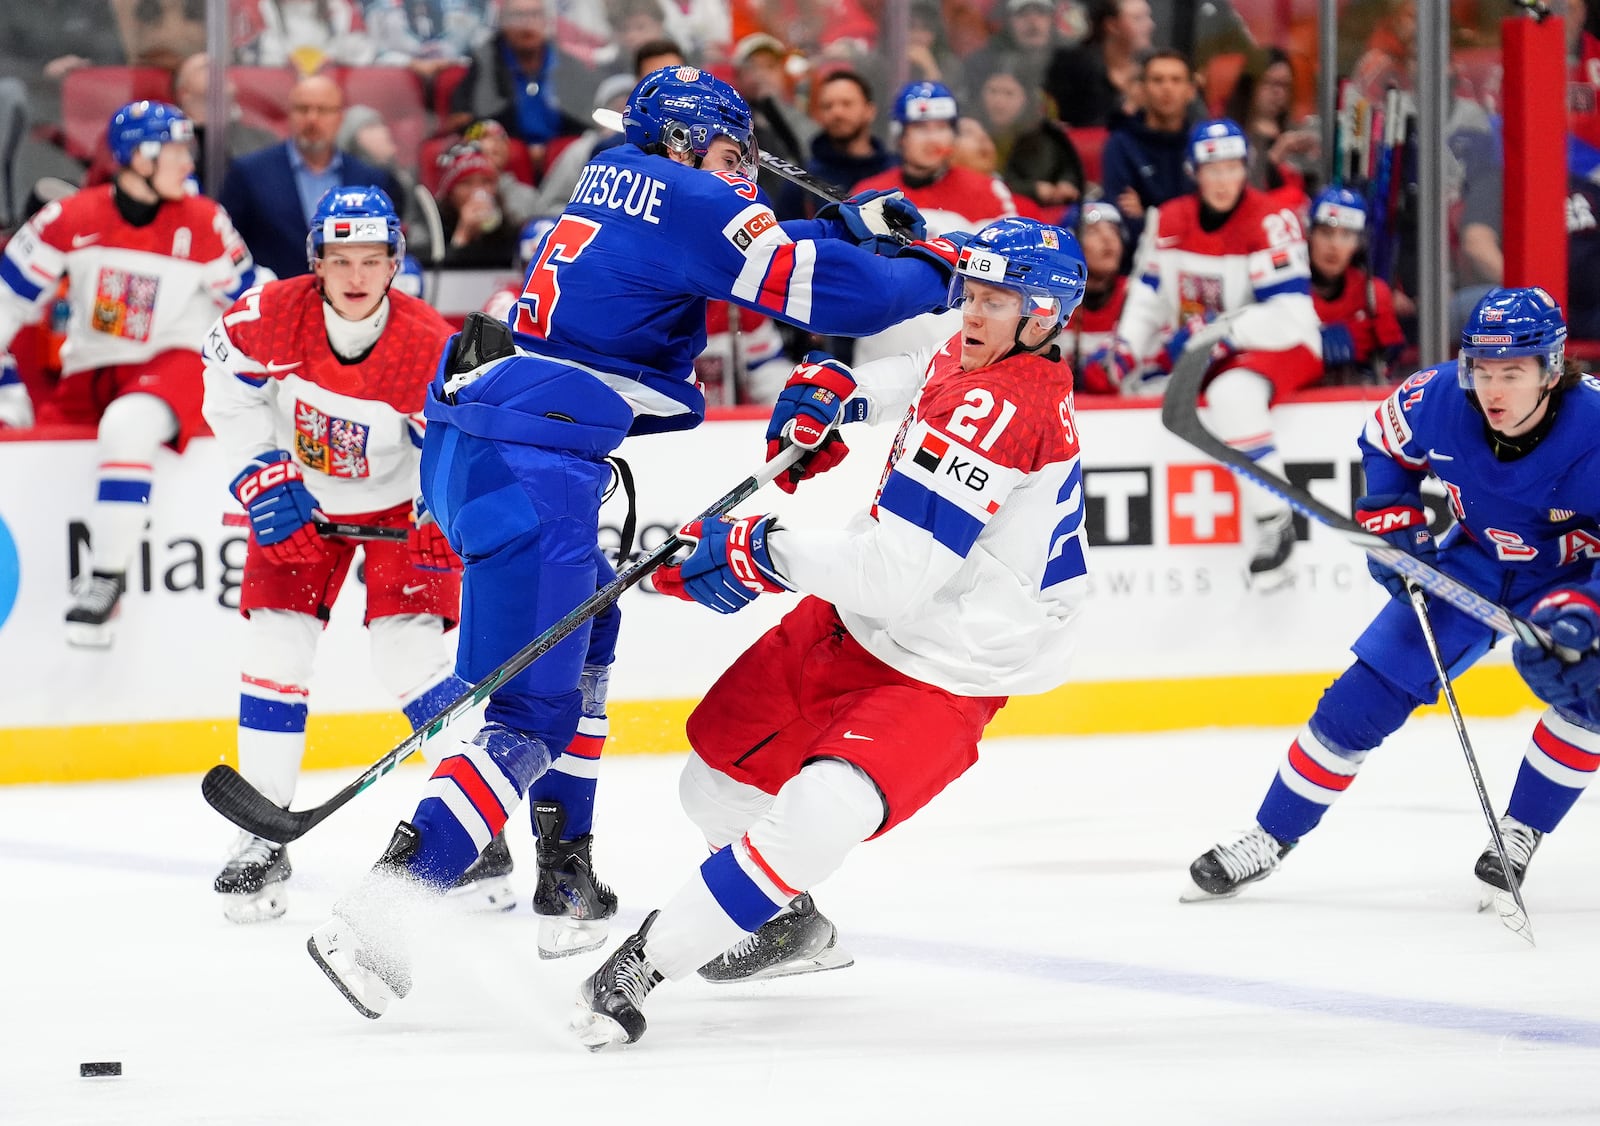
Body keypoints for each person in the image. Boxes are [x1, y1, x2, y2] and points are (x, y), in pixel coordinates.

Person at [304, 65, 968, 1019]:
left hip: (489, 450)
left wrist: (845, 230)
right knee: (527, 719)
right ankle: (379, 913)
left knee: (588, 649)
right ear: (688, 144)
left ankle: (566, 879)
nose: (742, 174)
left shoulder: (622, 178)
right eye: (732, 153)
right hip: (529, 469)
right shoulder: (692, 196)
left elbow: (738, 250)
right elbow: (827, 298)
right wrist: (932, 264)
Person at [569, 216, 1092, 1050]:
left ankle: (643, 967)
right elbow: (921, 370)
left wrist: (758, 547)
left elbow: (892, 570)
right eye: (973, 295)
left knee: (818, 813)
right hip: (860, 623)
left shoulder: (1000, 410)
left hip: (950, 662)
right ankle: (783, 930)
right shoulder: (981, 351)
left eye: (998, 301)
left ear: (1044, 316)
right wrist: (841, 389)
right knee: (711, 786)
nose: (973, 314)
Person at [1183, 287, 1600, 906]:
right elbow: (1385, 445)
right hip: (1473, 568)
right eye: (1482, 370)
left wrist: (1588, 610)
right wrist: (1391, 517)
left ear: (1552, 369)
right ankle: (1270, 838)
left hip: (1574, 580)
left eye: (1512, 373)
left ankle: (1521, 829)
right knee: (1360, 700)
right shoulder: (1437, 398)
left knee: (1588, 701)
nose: (1493, 391)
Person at [201, 187, 472, 923]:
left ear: (396, 264)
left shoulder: (428, 344)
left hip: (395, 502)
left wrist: (431, 510)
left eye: (373, 259)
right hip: (303, 499)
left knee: (407, 656)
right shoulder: (269, 315)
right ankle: (259, 835)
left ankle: (477, 822)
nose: (357, 276)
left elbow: (452, 445)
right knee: (275, 648)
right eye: (341, 259)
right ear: (316, 262)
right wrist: (263, 473)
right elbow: (225, 391)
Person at [0, 101, 263, 644]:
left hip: (175, 363)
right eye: (172, 149)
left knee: (129, 424)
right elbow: (7, 301)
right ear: (137, 157)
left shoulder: (204, 222)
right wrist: (6, 379)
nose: (185, 161)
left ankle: (106, 578)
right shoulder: (70, 218)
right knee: (31, 446)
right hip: (92, 369)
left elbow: (253, 303)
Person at [1098, 118, 1321, 585]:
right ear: (1194, 171)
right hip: (1210, 352)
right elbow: (1149, 293)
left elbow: (1289, 314)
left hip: (1280, 342)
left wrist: (1215, 333)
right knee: (1146, 394)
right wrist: (1126, 347)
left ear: (1246, 168)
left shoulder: (1270, 220)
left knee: (1233, 396)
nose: (1223, 180)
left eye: (1232, 167)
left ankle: (1274, 521)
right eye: (1212, 169)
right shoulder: (1170, 218)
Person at [849, 80, 1019, 364]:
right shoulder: (868, 193)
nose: (933, 139)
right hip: (882, 358)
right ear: (900, 135)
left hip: (962, 362)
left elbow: (1011, 278)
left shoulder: (988, 192)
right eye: (920, 129)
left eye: (941, 128)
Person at [218, 74, 401, 281]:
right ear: (289, 115)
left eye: (323, 110)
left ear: (340, 118)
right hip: (275, 302)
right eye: (303, 109)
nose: (312, 119)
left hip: (349, 302)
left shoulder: (369, 179)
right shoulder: (249, 173)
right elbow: (225, 243)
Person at [1098, 49, 1198, 249]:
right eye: (1157, 80)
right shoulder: (1121, 144)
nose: (1167, 88)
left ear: (1191, 91)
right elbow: (1123, 222)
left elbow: (1210, 220)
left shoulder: (1201, 146)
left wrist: (1147, 215)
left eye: (1176, 80)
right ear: (1142, 89)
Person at [1306, 187, 1404, 385]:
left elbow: (1392, 363)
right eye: (1326, 233)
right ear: (1309, 235)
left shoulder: (1373, 294)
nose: (1334, 245)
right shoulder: (1288, 288)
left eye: (1346, 235)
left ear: (1360, 243)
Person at [1043, 0, 1155, 129]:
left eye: (1148, 17)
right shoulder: (1076, 67)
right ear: (1112, 25)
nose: (1150, 25)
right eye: (1138, 18)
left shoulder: (1156, 66)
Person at [1063, 201, 1129, 394]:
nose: (1108, 239)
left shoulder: (1138, 297)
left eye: (1114, 231)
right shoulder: (1052, 300)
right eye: (1094, 232)